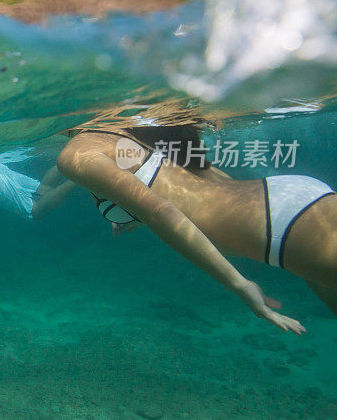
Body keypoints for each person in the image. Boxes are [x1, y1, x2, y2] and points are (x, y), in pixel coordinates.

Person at [57, 122, 337, 333]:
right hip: (285, 199)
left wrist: (241, 286)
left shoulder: (75, 153)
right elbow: (180, 190)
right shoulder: (129, 129)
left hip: (280, 225)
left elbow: (162, 211)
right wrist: (135, 218)